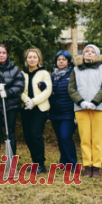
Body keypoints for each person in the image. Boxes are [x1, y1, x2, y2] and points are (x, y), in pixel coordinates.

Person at [68, 44, 102, 178]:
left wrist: (94, 102)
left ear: (97, 54)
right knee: (85, 138)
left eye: (92, 51)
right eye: (86, 51)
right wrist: (81, 101)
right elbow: (71, 88)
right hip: (81, 108)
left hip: (98, 108)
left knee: (97, 138)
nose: (88, 53)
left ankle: (97, 166)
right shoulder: (76, 69)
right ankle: (87, 165)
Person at [21, 48, 52, 174]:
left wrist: (33, 101)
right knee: (28, 136)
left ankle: (40, 164)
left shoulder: (44, 73)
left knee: (35, 134)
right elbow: (19, 90)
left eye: (34, 57)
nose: (32, 59)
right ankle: (35, 163)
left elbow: (47, 91)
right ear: (26, 59)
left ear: (39, 59)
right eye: (29, 57)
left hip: (40, 108)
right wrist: (27, 100)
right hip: (26, 108)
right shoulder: (21, 74)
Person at [49, 50, 77, 172]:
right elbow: (49, 90)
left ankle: (72, 164)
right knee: (60, 138)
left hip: (69, 112)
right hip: (55, 112)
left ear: (68, 61)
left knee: (66, 136)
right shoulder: (53, 76)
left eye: (64, 59)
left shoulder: (73, 74)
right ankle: (64, 162)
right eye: (59, 59)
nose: (61, 61)